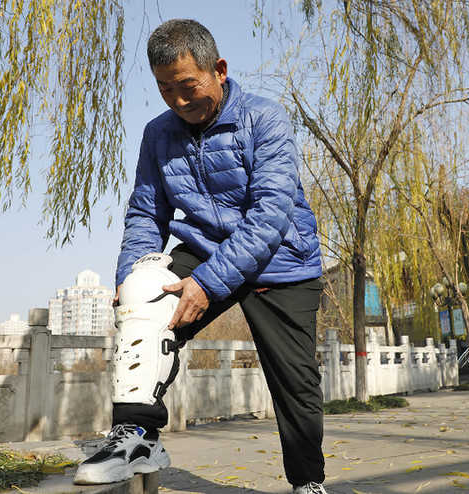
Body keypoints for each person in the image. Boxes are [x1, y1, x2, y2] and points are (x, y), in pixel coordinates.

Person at [73, 19, 327, 494]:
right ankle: (136, 437)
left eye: (188, 86)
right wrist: (129, 276)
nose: (179, 100)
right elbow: (146, 213)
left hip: (280, 259)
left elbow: (270, 214)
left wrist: (208, 283)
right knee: (143, 293)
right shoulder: (158, 134)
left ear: (219, 70)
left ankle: (308, 484)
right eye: (165, 89)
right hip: (206, 248)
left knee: (295, 383)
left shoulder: (265, 118)